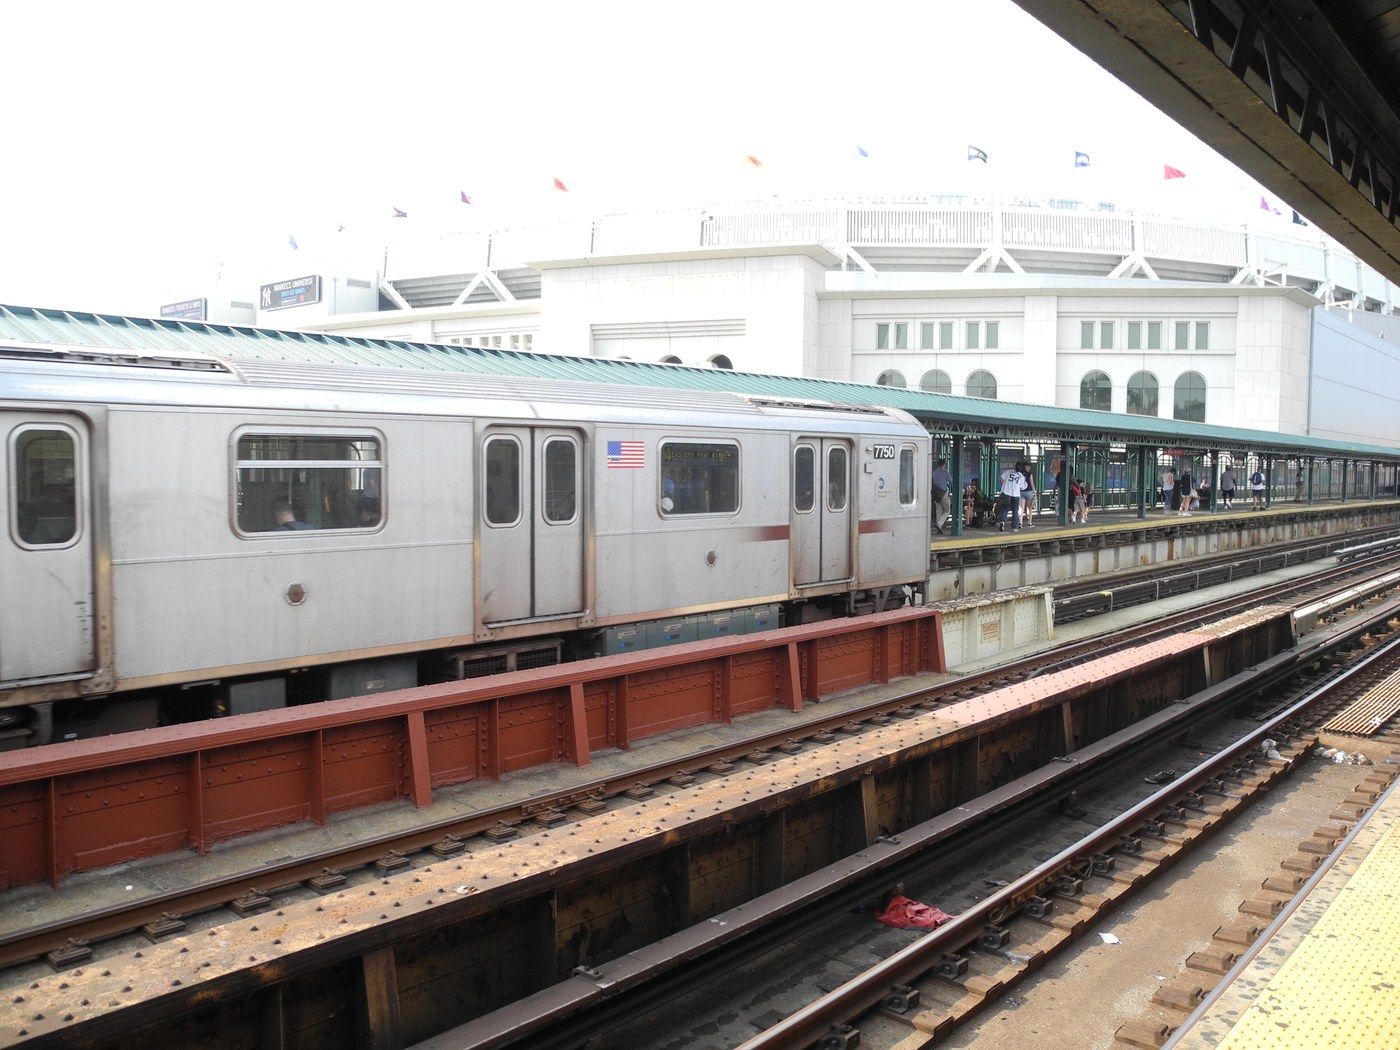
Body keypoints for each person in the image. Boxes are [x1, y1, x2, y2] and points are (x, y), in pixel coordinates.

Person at [997, 463, 1027, 532]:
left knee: (1005, 508)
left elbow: (1001, 479)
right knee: (1015, 510)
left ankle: (1002, 522)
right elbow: (1022, 487)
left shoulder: (1008, 472)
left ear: (1015, 467)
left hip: (1006, 493)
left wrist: (1004, 486)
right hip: (1015, 494)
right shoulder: (1021, 476)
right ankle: (1014, 527)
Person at [930, 458, 952, 534]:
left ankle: (938, 528)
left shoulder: (934, 473)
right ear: (944, 464)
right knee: (947, 510)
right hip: (943, 494)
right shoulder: (945, 472)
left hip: (935, 494)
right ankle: (939, 524)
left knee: (938, 510)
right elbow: (951, 481)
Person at [1020, 462, 1037, 527]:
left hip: (1020, 492)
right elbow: (1032, 485)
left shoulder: (1019, 474)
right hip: (1028, 492)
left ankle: (1020, 523)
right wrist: (1035, 494)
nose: (1029, 468)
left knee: (1021, 508)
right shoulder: (1029, 474)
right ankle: (1029, 523)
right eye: (1029, 466)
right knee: (1029, 508)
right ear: (1026, 467)